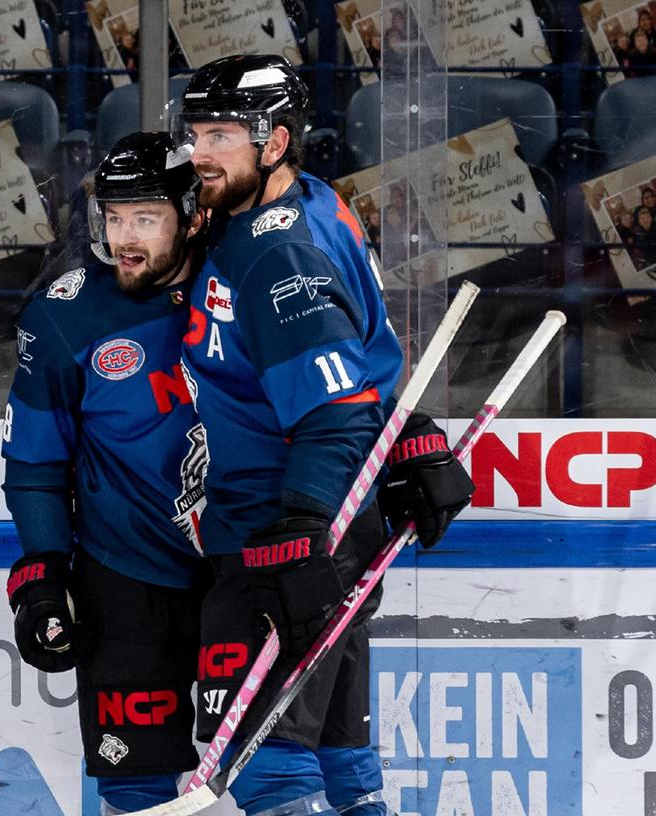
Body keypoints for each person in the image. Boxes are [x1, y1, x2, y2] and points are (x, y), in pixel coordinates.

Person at [173, 55, 473, 816]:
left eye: (220, 136)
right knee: (342, 761)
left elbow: (332, 411)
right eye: (195, 134)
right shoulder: (305, 204)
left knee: (266, 771)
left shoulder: (275, 254)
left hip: (283, 536)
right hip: (331, 525)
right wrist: (407, 428)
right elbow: (351, 365)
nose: (199, 153)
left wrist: (301, 533)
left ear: (273, 143)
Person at [1, 132, 212, 816]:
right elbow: (34, 463)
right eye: (113, 217)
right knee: (136, 786)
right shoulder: (67, 315)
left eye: (145, 218)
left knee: (278, 769)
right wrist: (41, 576)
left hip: (245, 570)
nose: (124, 237)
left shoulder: (249, 281)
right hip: (124, 578)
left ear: (192, 212)